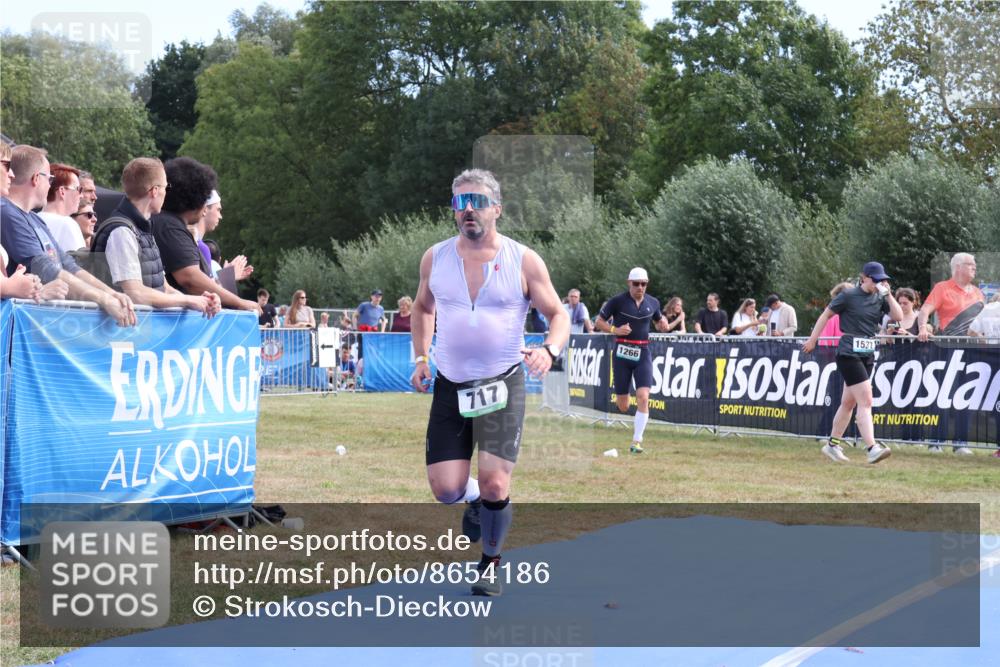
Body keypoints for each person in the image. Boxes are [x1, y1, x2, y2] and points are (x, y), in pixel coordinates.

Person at [410, 168, 568, 597]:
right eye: (460, 202)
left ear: (496, 208)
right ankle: (476, 501)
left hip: (503, 384)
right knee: (447, 490)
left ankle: (490, 564)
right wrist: (422, 357)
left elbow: (559, 315)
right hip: (450, 385)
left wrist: (549, 351)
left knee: (498, 481)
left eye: (477, 201)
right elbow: (422, 309)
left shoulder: (524, 259)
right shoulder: (435, 258)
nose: (468, 210)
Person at [1, 145, 133, 326]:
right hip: (25, 328)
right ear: (35, 178)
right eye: (50, 177)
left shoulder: (34, 218)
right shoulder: (6, 212)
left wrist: (111, 294)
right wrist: (103, 299)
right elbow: (46, 269)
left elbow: (68, 265)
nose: (50, 184)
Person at [89, 157, 221, 315]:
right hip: (122, 335)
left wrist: (199, 301)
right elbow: (135, 293)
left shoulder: (142, 228)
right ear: (155, 191)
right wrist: (188, 300)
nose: (166, 192)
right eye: (166, 187)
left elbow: (163, 287)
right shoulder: (121, 232)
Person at [803, 261, 903, 464]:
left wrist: (889, 295)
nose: (878, 283)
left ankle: (832, 445)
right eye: (875, 280)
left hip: (867, 353)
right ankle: (872, 448)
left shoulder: (880, 297)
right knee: (866, 400)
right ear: (864, 277)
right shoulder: (848, 296)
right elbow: (825, 315)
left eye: (882, 280)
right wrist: (813, 339)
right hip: (848, 353)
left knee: (848, 403)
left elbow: (898, 316)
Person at [151, 157, 260, 314]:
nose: (204, 208)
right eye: (203, 198)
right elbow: (189, 277)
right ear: (193, 199)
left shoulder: (167, 224)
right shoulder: (169, 227)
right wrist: (239, 303)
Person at [594, 267, 672, 454]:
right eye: (636, 284)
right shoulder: (617, 301)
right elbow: (599, 322)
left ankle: (636, 441)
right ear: (629, 283)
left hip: (643, 351)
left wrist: (663, 325)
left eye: (643, 284)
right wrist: (615, 330)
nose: (640, 287)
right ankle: (625, 401)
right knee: (623, 405)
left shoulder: (653, 302)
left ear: (647, 284)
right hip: (622, 353)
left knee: (643, 397)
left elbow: (659, 321)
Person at [918, 253, 985, 338]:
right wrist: (922, 328)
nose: (974, 268)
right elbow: (925, 310)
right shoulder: (942, 288)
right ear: (958, 267)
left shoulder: (978, 292)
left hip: (976, 345)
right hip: (951, 344)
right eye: (970, 264)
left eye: (975, 265)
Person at [38, 163, 86, 252]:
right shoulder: (68, 224)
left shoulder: (33, 219)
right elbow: (79, 263)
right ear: (62, 191)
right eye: (79, 189)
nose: (81, 195)